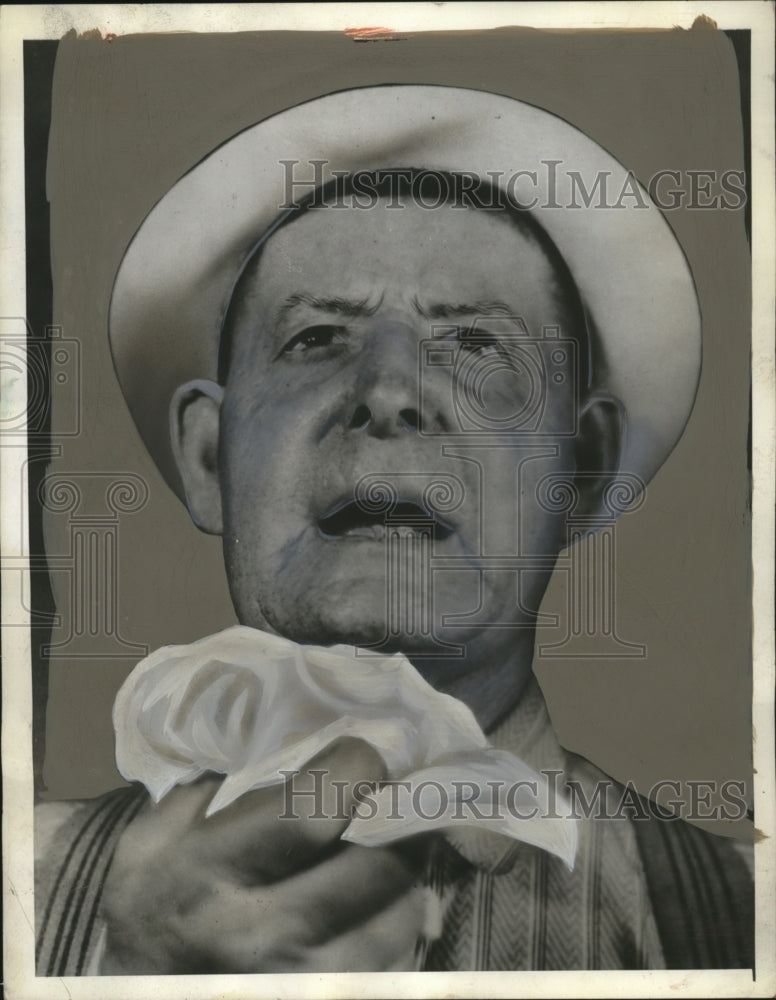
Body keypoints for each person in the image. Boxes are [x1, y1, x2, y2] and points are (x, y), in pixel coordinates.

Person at [34, 85, 753, 975]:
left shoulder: (743, 918)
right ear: (210, 457)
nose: (388, 391)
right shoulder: (22, 891)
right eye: (319, 336)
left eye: (476, 346)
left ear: (581, 470)